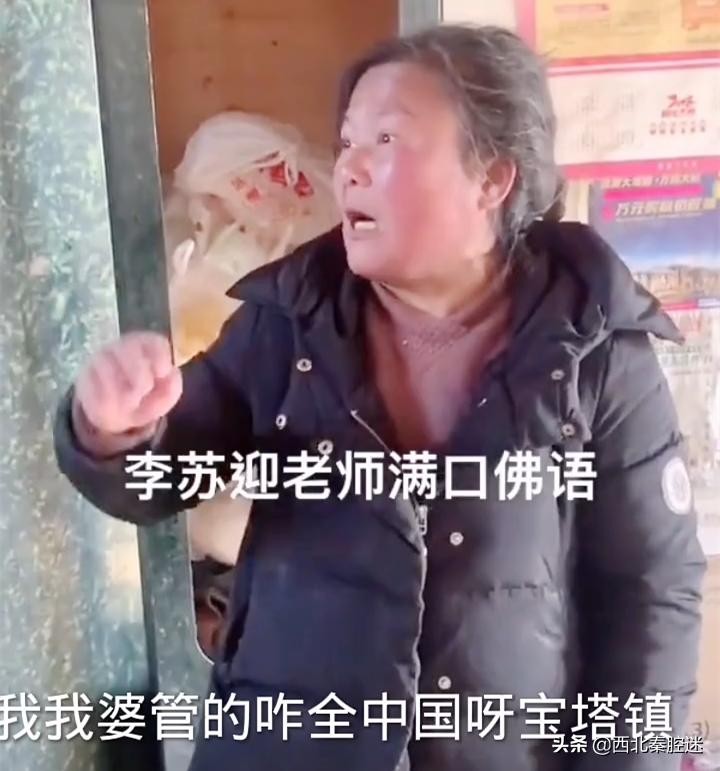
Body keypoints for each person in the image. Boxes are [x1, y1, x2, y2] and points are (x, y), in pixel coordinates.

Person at [53, 24, 705, 771]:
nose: (350, 168)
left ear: (492, 179)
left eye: (387, 140)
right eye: (347, 142)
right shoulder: (289, 320)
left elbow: (652, 593)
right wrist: (113, 430)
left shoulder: (595, 349)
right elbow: (164, 473)